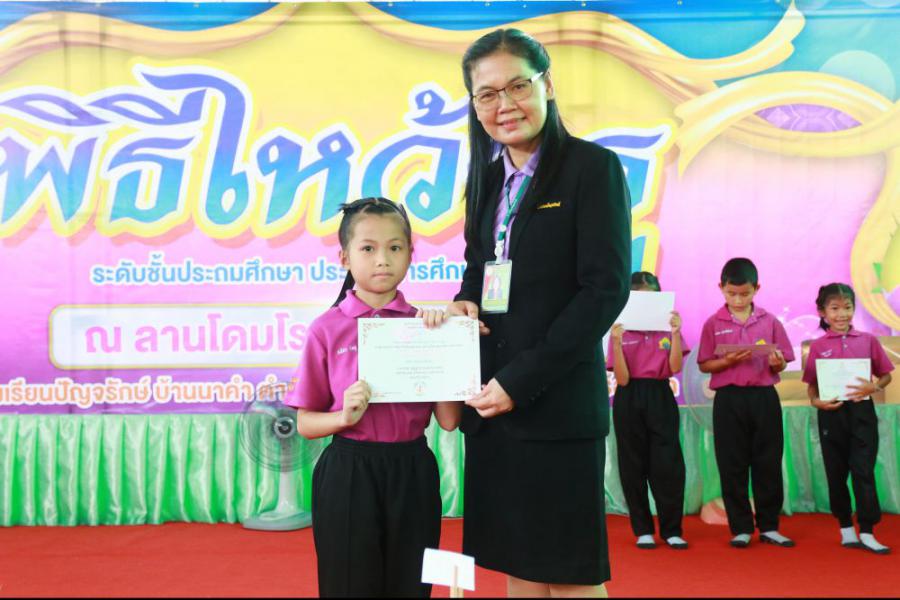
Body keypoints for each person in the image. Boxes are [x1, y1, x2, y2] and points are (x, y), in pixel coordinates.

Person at [423, 28, 631, 597]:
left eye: (518, 86)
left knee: (568, 576)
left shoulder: (592, 168)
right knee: (518, 567)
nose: (504, 105)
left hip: (553, 404)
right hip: (491, 404)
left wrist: (520, 381)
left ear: (547, 85)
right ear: (474, 104)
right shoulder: (487, 179)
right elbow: (479, 268)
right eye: (487, 94)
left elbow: (604, 290)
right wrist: (465, 300)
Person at [284, 197, 461, 597]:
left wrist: (446, 345)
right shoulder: (326, 329)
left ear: (411, 253)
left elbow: (450, 421)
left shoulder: (425, 326)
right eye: (368, 248)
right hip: (349, 471)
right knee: (350, 585)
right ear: (345, 258)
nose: (383, 260)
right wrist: (343, 416)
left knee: (411, 585)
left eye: (395, 247)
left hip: (413, 470)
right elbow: (305, 424)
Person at [696, 257, 796, 549]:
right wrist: (727, 361)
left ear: (757, 289)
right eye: (732, 293)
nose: (738, 300)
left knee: (768, 461)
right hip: (728, 399)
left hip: (764, 397)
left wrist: (777, 363)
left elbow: (782, 362)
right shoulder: (713, 323)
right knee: (732, 463)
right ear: (721, 288)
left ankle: (769, 526)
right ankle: (740, 527)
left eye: (745, 293)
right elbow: (704, 364)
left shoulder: (770, 321)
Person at [802, 283, 893, 555]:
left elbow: (886, 375)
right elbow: (812, 385)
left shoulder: (868, 340)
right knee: (836, 472)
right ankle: (845, 528)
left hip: (861, 413)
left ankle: (867, 531)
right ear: (822, 312)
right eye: (835, 308)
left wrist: (874, 386)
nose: (842, 314)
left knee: (863, 470)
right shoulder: (818, 346)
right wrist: (815, 401)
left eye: (848, 307)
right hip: (831, 414)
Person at [607, 272, 689, 550]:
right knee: (632, 464)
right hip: (629, 396)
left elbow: (675, 367)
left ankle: (672, 530)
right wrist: (616, 343)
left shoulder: (666, 330)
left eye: (651, 296)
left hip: (660, 395)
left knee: (668, 464)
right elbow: (622, 379)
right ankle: (643, 529)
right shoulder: (620, 331)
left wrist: (675, 333)